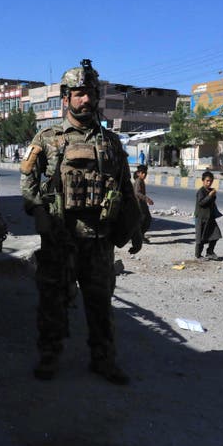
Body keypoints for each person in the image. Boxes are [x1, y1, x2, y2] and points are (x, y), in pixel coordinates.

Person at [20, 59, 141, 385]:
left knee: (100, 305)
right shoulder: (47, 138)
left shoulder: (112, 143)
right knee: (52, 302)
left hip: (99, 240)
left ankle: (103, 360)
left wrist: (136, 227)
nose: (85, 100)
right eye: (78, 94)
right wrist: (40, 214)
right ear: (66, 97)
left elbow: (126, 190)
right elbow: (27, 183)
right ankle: (49, 355)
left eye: (89, 93)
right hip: (61, 238)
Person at [194, 171, 223, 260]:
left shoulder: (211, 191)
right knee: (200, 239)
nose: (209, 183)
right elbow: (201, 203)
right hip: (201, 218)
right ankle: (198, 255)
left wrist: (213, 195)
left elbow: (212, 202)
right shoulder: (201, 191)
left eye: (210, 181)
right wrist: (210, 195)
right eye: (207, 181)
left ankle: (210, 252)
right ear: (203, 181)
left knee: (216, 235)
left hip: (210, 218)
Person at [133, 164, 153, 243]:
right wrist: (147, 199)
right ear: (139, 173)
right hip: (139, 204)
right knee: (145, 220)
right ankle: (139, 236)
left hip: (142, 204)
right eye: (143, 173)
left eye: (145, 173)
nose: (144, 175)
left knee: (145, 220)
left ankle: (140, 236)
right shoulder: (138, 181)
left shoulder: (141, 180)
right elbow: (137, 192)